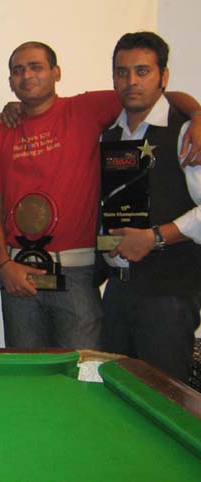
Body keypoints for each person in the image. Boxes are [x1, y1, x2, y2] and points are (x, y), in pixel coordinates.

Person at [0, 41, 201, 350]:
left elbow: (157, 96)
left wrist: (197, 114)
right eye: (18, 70)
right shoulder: (2, 129)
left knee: (84, 369)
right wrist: (3, 264)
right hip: (19, 273)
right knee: (26, 372)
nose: (27, 75)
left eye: (36, 67)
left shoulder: (86, 108)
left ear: (56, 72)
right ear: (10, 81)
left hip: (78, 274)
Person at [100, 32, 201, 382]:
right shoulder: (109, 134)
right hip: (117, 291)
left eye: (142, 71)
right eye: (122, 72)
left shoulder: (186, 132)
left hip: (169, 294)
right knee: (115, 393)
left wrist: (155, 237)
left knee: (164, 394)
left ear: (163, 76)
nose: (131, 81)